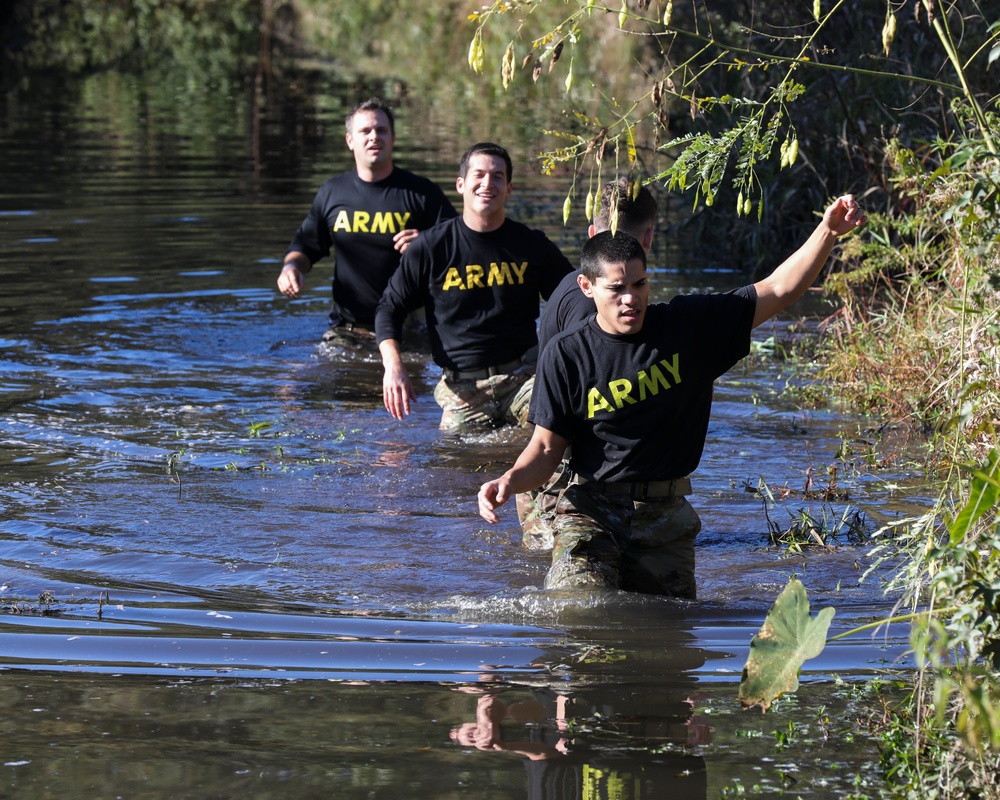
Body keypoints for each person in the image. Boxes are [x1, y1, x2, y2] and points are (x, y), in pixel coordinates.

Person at [477, 196, 867, 597]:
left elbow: (778, 288)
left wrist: (828, 232)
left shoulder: (689, 327)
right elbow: (544, 450)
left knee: (669, 633)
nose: (630, 298)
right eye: (617, 288)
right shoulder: (567, 353)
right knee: (579, 606)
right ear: (587, 286)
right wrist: (509, 480)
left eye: (639, 285)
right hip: (591, 510)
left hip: (665, 516)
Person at [375, 142, 574, 432]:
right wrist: (393, 367)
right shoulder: (430, 248)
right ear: (460, 184)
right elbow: (388, 309)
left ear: (509, 188)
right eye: (478, 175)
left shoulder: (532, 245)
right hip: (461, 386)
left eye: (497, 177)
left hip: (525, 377)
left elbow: (573, 298)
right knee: (454, 461)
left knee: (554, 433)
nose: (487, 184)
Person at [519, 178, 658, 547]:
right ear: (649, 237)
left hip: (546, 444)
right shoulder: (596, 310)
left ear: (592, 230)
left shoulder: (571, 285)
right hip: (562, 466)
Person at [277, 97, 457, 351]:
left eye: (381, 130)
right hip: (349, 328)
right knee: (333, 380)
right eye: (365, 131)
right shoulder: (332, 192)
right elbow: (305, 246)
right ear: (350, 141)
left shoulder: (422, 193)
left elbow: (462, 247)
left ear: (393, 138)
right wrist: (292, 267)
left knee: (409, 387)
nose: (374, 137)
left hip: (412, 327)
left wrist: (427, 243)